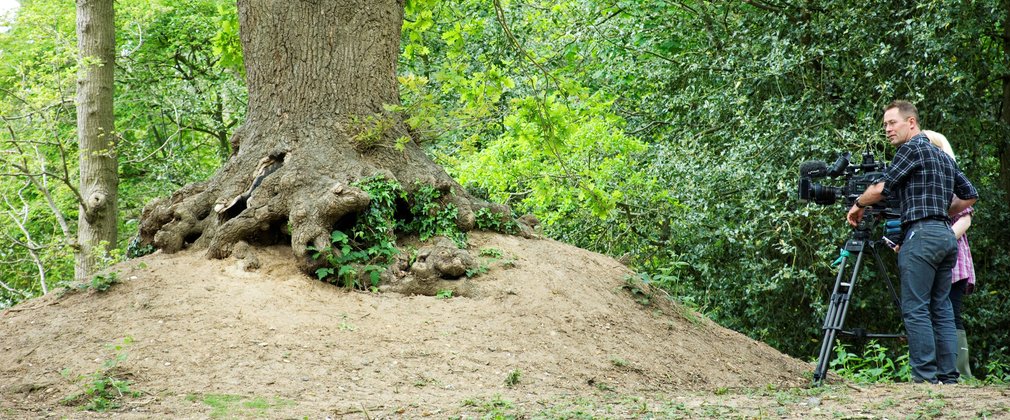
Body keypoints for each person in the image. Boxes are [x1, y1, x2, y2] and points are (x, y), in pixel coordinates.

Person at [846, 100, 978, 384]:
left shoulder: (911, 148)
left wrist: (858, 204)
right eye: (884, 125)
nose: (887, 129)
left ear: (911, 123)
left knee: (916, 307)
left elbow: (884, 187)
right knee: (941, 307)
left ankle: (924, 378)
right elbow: (969, 194)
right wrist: (942, 210)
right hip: (945, 236)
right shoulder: (942, 156)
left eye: (892, 123)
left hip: (922, 235)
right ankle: (948, 377)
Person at [923, 130, 976, 380]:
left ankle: (960, 371)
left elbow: (965, 219)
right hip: (930, 256)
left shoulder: (951, 179)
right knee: (930, 309)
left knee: (950, 310)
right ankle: (936, 370)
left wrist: (939, 240)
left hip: (951, 256)